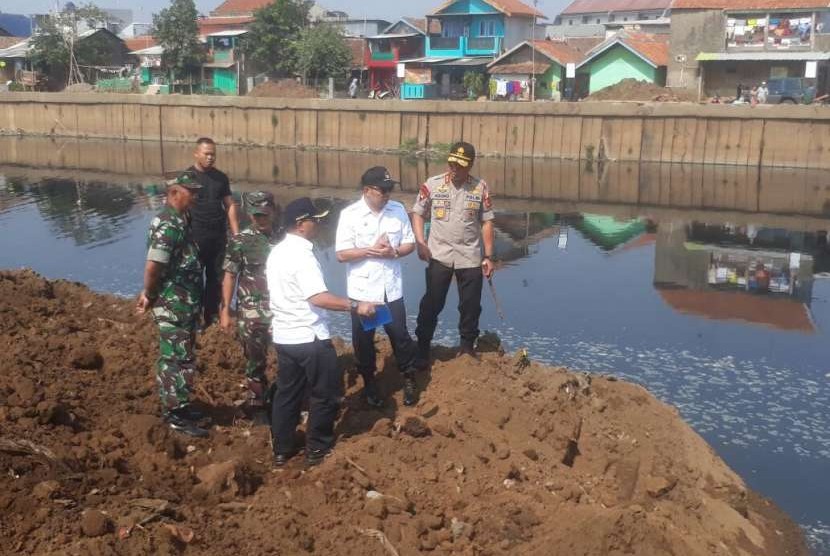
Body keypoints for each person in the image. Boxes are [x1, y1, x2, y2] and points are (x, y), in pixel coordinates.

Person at [267, 197, 376, 467]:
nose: (317, 223)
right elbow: (318, 298)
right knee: (325, 393)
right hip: (310, 337)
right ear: (300, 224)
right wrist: (356, 305)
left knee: (287, 393)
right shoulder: (302, 255)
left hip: (284, 336)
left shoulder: (276, 252)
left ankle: (281, 449)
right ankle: (317, 448)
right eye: (313, 219)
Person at [335, 167, 419, 407]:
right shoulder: (350, 215)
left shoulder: (398, 210)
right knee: (363, 341)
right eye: (383, 190)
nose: (387, 195)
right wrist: (369, 250)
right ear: (367, 190)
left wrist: (394, 252)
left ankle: (409, 377)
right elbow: (341, 254)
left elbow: (409, 244)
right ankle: (369, 383)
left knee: (400, 336)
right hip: (364, 293)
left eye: (390, 189)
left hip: (390, 289)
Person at [136, 172, 209, 438]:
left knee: (184, 356)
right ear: (175, 193)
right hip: (172, 304)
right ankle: (174, 414)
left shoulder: (182, 220)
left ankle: (182, 404)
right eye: (191, 191)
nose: (196, 196)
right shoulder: (167, 224)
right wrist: (149, 293)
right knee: (174, 359)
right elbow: (154, 266)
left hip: (185, 304)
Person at [412, 142, 495, 366]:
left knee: (470, 305)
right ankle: (422, 348)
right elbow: (418, 213)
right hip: (439, 254)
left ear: (470, 165)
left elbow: (487, 222)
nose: (455, 168)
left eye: (460, 165)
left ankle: (467, 348)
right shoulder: (433, 185)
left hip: (469, 255)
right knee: (432, 302)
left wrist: (488, 256)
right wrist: (420, 242)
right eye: (452, 163)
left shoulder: (479, 187)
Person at [220, 191, 278, 419]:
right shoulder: (240, 241)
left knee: (288, 355)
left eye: (264, 214)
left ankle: (284, 397)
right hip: (251, 311)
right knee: (255, 359)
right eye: (256, 215)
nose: (261, 219)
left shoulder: (283, 239)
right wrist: (225, 310)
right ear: (249, 213)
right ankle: (257, 402)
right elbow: (229, 276)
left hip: (280, 310)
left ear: (272, 210)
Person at [187, 137, 240, 327]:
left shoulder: (220, 178)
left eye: (213, 154)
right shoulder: (186, 177)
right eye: (206, 154)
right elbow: (175, 205)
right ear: (196, 153)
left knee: (216, 280)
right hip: (194, 238)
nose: (210, 158)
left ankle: (211, 319)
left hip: (217, 238)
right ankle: (192, 319)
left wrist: (236, 236)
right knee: (192, 280)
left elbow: (229, 205)